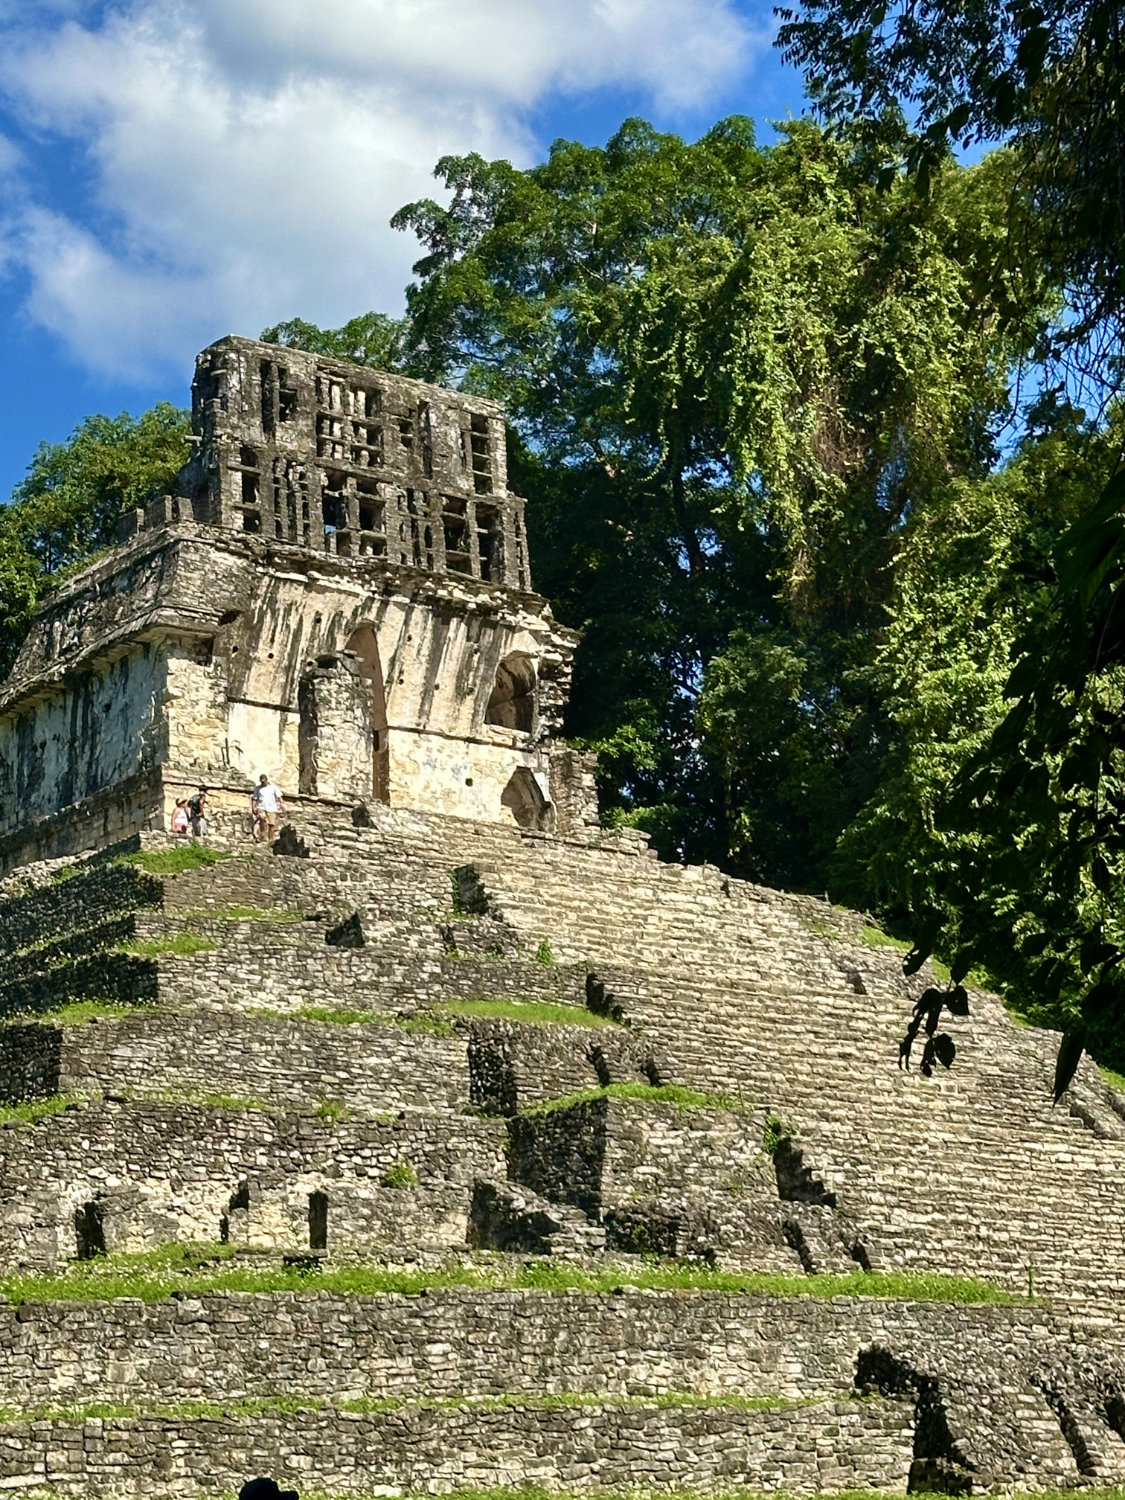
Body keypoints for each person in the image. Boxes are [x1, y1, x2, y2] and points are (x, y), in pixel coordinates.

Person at [251, 773, 284, 843]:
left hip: (272, 808)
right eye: (262, 782)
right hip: (261, 807)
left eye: (264, 781)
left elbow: (279, 797)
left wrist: (281, 804)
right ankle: (262, 833)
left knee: (271, 825)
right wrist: (253, 807)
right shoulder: (257, 788)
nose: (263, 783)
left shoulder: (274, 787)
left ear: (266, 780)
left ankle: (270, 839)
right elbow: (255, 798)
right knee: (262, 818)